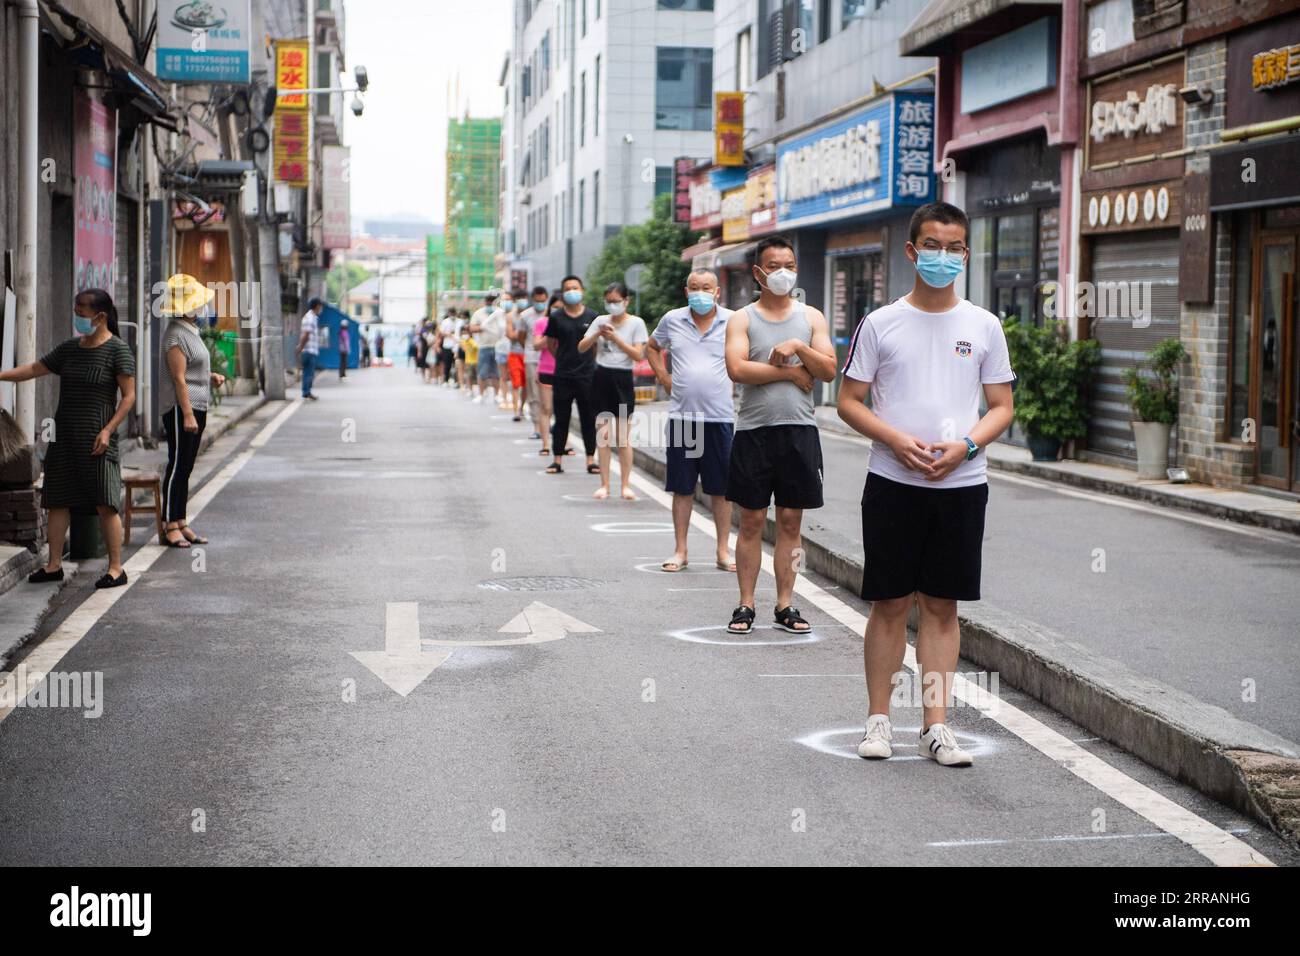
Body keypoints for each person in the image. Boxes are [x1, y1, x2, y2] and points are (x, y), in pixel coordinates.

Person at [837, 201, 1014, 768]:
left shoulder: (984, 325)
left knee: (942, 606)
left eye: (955, 246)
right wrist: (895, 439)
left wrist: (967, 445)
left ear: (966, 253)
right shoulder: (881, 323)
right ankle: (878, 721)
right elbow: (847, 401)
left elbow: (1001, 406)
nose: (943, 256)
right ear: (912, 251)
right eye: (932, 245)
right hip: (893, 481)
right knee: (889, 602)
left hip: (962, 485)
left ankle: (936, 727)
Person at [723, 235, 837, 636]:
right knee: (751, 521)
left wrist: (796, 348)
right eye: (773, 266)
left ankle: (786, 603)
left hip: (800, 432)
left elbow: (827, 369)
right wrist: (789, 373)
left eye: (788, 265)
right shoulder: (742, 318)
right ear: (758, 272)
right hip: (754, 432)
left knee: (791, 521)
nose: (782, 272)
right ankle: (746, 604)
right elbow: (738, 369)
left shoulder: (811, 318)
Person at [0, 289, 136, 589]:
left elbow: (128, 397)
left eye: (81, 311)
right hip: (64, 436)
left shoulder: (117, 351)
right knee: (58, 499)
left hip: (98, 436)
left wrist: (109, 429)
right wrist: (1, 375)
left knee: (105, 501)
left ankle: (116, 568)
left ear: (100, 317)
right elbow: (36, 368)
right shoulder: (70, 349)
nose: (77, 316)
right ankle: (53, 565)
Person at [645, 268, 736, 573]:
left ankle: (723, 551)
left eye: (706, 287)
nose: (700, 292)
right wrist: (662, 375)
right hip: (683, 418)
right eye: (694, 287)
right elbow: (652, 346)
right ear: (686, 292)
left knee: (722, 490)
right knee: (682, 488)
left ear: (717, 291)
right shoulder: (672, 319)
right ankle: (680, 550)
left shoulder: (734, 321)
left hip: (720, 417)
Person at [156, 275, 226, 549]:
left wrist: (212, 376)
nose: (202, 308)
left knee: (186, 466)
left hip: (197, 404)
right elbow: (178, 379)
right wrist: (186, 414)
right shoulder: (174, 335)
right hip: (179, 408)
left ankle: (181, 521)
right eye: (196, 304)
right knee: (176, 465)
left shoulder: (190, 331)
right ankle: (169, 525)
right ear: (184, 308)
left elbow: (194, 371)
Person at [579, 282, 647, 500]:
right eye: (609, 301)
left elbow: (638, 356)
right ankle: (605, 485)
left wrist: (615, 337)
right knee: (604, 436)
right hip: (601, 376)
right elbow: (581, 347)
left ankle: (626, 485)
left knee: (623, 437)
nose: (613, 305)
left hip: (623, 377)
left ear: (626, 301)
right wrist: (596, 334)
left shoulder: (636, 323)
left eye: (617, 301)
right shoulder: (600, 320)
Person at [544, 276, 599, 475]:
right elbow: (551, 344)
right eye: (568, 288)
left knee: (588, 418)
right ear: (562, 292)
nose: (572, 291)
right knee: (561, 419)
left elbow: (595, 346)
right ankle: (557, 460)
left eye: (575, 287)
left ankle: (591, 460)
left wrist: (588, 363)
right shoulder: (556, 317)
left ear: (582, 290)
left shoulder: (592, 316)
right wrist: (562, 358)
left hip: (587, 376)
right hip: (563, 375)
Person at [531, 293, 562, 457]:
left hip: (566, 370)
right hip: (546, 370)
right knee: (546, 408)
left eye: (561, 307)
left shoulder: (572, 323)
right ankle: (545, 444)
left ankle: (564, 443)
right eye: (556, 307)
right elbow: (536, 345)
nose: (559, 310)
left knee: (563, 410)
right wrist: (551, 333)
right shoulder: (542, 323)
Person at [522, 286, 549, 438]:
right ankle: (537, 427)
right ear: (533, 300)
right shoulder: (525, 316)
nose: (541, 303)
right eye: (538, 301)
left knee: (548, 395)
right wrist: (529, 350)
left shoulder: (553, 315)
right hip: (532, 358)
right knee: (534, 393)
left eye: (543, 301)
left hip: (549, 360)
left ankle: (547, 424)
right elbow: (520, 336)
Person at [469, 293, 504, 404]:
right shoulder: (478, 313)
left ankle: (497, 395)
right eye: (488, 301)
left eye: (492, 301)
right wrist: (482, 327)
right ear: (485, 302)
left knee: (496, 372)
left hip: (498, 346)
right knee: (482, 371)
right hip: (484, 346)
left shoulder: (499, 312)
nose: (490, 304)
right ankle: (481, 394)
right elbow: (472, 328)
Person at [506, 288, 530, 421]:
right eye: (519, 299)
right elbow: (510, 335)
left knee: (526, 384)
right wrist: (523, 333)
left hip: (528, 354)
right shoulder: (510, 316)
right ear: (515, 301)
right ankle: (515, 411)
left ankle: (521, 408)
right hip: (514, 353)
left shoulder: (530, 314)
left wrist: (518, 333)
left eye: (524, 298)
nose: (522, 301)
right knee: (516, 383)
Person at [296, 297, 323, 400]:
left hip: (310, 349)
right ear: (317, 306)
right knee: (309, 373)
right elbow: (306, 334)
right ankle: (306, 392)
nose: (321, 309)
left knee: (308, 372)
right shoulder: (310, 318)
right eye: (320, 306)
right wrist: (300, 347)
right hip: (308, 350)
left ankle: (306, 392)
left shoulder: (312, 318)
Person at [438, 311, 458, 385]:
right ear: (449, 314)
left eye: (454, 314)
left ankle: (456, 381)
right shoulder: (445, 322)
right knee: (447, 364)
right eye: (451, 314)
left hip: (456, 345)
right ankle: (446, 380)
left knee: (456, 364)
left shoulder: (459, 321)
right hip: (447, 346)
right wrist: (448, 334)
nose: (452, 315)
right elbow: (441, 333)